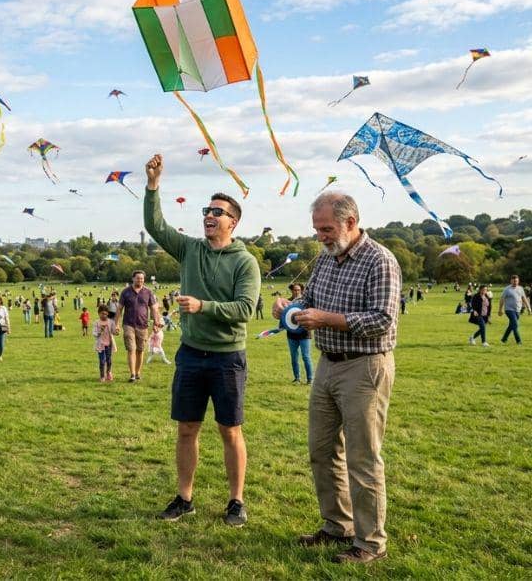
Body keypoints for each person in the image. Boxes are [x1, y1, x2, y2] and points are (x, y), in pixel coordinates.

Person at [273, 192, 400, 565]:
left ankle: (371, 543)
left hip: (365, 367)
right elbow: (309, 300)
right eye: (317, 229)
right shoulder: (325, 260)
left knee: (363, 457)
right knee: (322, 450)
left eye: (326, 228)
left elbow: (382, 319)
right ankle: (337, 526)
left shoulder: (380, 260)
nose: (321, 236)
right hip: (327, 364)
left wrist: (327, 318)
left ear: (350, 221)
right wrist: (290, 309)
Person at [144, 154, 259, 528]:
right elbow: (156, 226)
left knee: (230, 430)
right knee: (187, 429)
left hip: (228, 357)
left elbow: (244, 308)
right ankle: (184, 498)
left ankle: (236, 501)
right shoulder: (190, 250)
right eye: (206, 210)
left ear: (233, 222)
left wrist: (202, 305)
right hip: (191, 355)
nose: (209, 215)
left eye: (218, 211)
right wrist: (153, 185)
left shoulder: (245, 262)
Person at [115, 270, 163, 382]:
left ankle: (137, 373)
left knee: (140, 350)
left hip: (143, 325)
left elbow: (154, 308)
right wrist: (116, 324)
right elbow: (119, 309)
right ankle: (132, 374)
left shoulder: (148, 292)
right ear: (133, 278)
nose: (140, 280)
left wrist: (156, 322)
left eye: (142, 278)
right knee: (131, 349)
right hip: (128, 324)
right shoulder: (125, 292)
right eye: (138, 278)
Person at [286, 283, 313, 385]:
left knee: (306, 356)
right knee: (294, 357)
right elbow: (284, 317)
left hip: (304, 333)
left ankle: (310, 379)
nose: (296, 292)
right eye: (294, 290)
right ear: (292, 291)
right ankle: (297, 378)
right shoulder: (288, 302)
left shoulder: (305, 303)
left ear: (301, 291)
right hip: (291, 333)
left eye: (298, 290)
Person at [499, 274, 530, 345]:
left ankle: (504, 339)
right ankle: (518, 341)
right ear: (511, 281)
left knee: (511, 325)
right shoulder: (507, 289)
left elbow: (524, 298)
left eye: (516, 281)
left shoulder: (520, 288)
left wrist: (529, 308)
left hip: (517, 310)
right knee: (515, 325)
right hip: (509, 310)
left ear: (518, 281)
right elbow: (502, 299)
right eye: (513, 281)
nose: (515, 282)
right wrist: (500, 309)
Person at [93, 306, 116, 382]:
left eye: (106, 314)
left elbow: (113, 331)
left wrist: (117, 332)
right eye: (102, 314)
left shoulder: (110, 322)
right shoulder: (96, 323)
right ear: (99, 314)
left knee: (109, 360)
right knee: (102, 361)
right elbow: (95, 334)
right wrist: (100, 331)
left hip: (109, 344)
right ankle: (102, 376)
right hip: (101, 345)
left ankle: (109, 372)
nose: (104, 315)